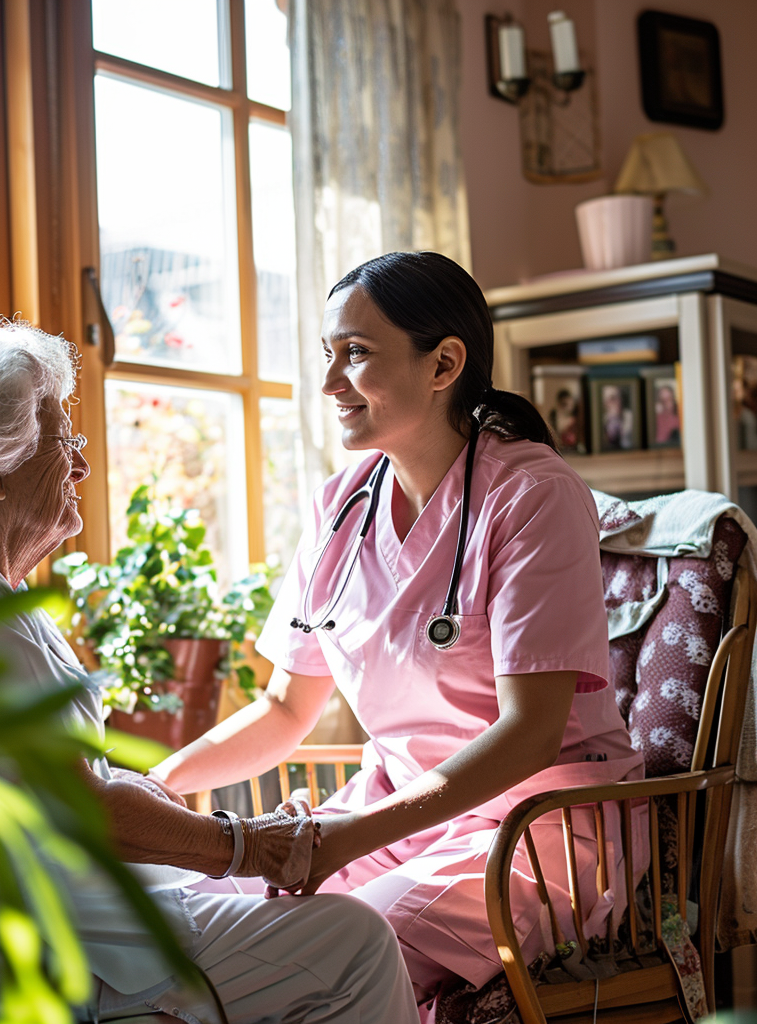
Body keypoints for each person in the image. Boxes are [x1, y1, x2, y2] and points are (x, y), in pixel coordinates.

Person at [0, 320, 419, 1024]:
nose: (82, 468)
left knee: (266, 906)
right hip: (15, 957)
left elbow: (42, 781)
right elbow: (76, 806)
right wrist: (249, 845)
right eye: (66, 444)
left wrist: (173, 805)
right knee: (354, 941)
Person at [152, 252, 645, 1019]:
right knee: (206, 921)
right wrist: (156, 789)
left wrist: (343, 841)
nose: (328, 385)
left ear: (445, 362)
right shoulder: (338, 506)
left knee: (341, 945)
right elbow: (286, 709)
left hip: (532, 828)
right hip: (389, 810)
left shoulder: (533, 497)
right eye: (328, 356)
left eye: (355, 355)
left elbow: (529, 735)